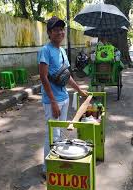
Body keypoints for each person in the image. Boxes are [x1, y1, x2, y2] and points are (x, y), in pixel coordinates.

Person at [37, 16, 88, 176]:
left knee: (59, 132)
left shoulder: (62, 51)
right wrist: (52, 101)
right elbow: (43, 77)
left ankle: (56, 161)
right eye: (56, 29)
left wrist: (79, 90)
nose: (60, 32)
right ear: (49, 33)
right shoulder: (45, 51)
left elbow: (67, 76)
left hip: (64, 98)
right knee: (52, 133)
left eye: (61, 29)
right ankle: (47, 168)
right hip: (52, 100)